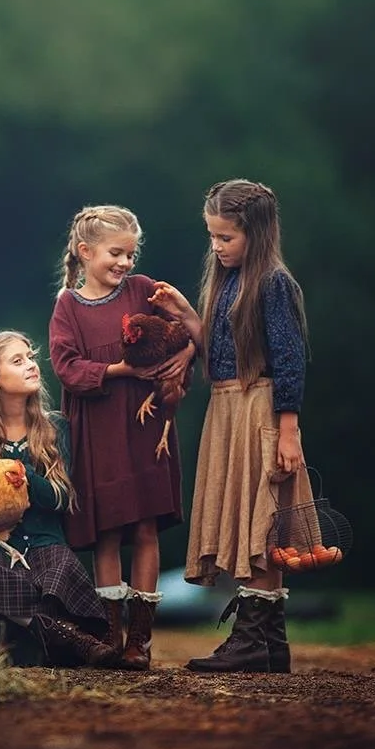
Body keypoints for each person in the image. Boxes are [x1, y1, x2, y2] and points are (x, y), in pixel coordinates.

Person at [148, 179, 315, 673]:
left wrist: (287, 432)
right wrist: (185, 313)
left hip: (260, 409)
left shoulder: (273, 283)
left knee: (260, 521)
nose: (217, 247)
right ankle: (270, 643)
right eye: (212, 237)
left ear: (256, 235)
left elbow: (288, 361)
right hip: (229, 406)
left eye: (226, 238)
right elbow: (222, 353)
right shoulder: (230, 283)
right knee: (248, 519)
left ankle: (251, 642)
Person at [47, 205, 193, 670]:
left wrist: (186, 354)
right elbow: (66, 368)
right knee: (107, 534)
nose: (125, 263)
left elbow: (184, 332)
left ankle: (140, 640)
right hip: (98, 432)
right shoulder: (67, 306)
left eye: (131, 254)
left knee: (146, 530)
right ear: (85, 252)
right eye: (116, 253)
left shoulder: (144, 290)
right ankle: (110, 634)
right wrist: (119, 369)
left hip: (146, 429)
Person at [0, 331, 117, 668]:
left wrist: (23, 473)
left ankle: (20, 635)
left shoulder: (55, 428)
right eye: (18, 361)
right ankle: (61, 633)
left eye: (30, 357)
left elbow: (61, 497)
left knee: (61, 564)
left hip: (43, 544)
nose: (31, 365)